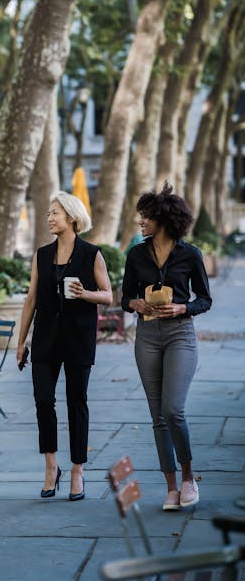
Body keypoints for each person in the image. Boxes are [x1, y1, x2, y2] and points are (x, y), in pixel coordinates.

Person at [121, 182, 212, 511]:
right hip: (147, 335)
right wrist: (135, 303)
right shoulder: (136, 254)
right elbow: (124, 297)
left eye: (146, 216)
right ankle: (171, 487)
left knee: (173, 410)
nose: (141, 221)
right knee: (158, 416)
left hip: (180, 334)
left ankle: (188, 477)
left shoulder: (190, 254)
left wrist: (182, 307)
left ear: (164, 219)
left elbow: (205, 299)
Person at [17, 191, 112, 501]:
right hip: (45, 338)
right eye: (48, 213)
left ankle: (77, 471)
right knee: (43, 401)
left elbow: (109, 295)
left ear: (72, 217)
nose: (49, 218)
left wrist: (85, 294)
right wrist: (21, 342)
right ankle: (50, 467)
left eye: (55, 212)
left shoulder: (91, 254)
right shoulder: (41, 255)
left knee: (76, 402)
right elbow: (31, 299)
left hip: (78, 339)